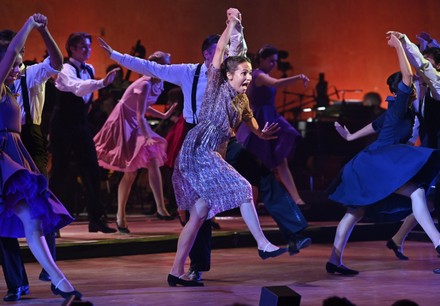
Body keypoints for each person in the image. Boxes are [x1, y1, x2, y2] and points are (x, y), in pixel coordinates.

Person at [98, 8, 248, 281]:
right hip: (192, 138)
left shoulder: (228, 76)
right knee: (195, 209)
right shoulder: (188, 73)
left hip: (219, 139)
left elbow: (240, 52)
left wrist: (235, 24)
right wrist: (115, 56)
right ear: (207, 53)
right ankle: (192, 265)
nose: (223, 55)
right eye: (219, 50)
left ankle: (192, 266)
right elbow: (150, 67)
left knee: (203, 208)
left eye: (224, 51)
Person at [326, 32, 440, 275]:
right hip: (380, 161)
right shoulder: (400, 105)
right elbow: (408, 75)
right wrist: (398, 46)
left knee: (356, 211)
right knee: (418, 194)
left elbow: (374, 126)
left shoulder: (399, 111)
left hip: (371, 162)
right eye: (411, 86)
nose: (415, 85)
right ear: (403, 89)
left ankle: (334, 260)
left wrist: (349, 136)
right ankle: (439, 242)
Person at [0, 14, 81, 300]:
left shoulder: (11, 89)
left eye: (20, 61)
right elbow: (10, 53)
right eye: (13, 62)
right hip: (4, 160)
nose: (16, 66)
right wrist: (29, 25)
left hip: (15, 155)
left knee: (32, 219)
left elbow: (55, 63)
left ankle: (62, 284)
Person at [94, 51, 176, 233]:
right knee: (130, 172)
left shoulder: (158, 82)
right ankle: (122, 215)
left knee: (150, 162)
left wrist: (163, 115)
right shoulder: (146, 83)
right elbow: (139, 114)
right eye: (165, 64)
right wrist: (147, 136)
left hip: (135, 121)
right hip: (125, 121)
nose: (167, 68)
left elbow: (144, 107)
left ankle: (159, 207)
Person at [50, 32, 120, 233]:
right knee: (59, 172)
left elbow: (86, 98)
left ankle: (96, 219)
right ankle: (53, 221)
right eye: (83, 47)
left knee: (91, 168)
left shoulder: (89, 68)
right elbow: (77, 88)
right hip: (62, 125)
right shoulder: (64, 68)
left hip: (80, 124)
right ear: (71, 48)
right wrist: (101, 83)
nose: (87, 50)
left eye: (89, 47)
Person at [236, 44, 310, 207]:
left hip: (270, 117)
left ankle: (296, 199)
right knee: (253, 164)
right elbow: (275, 84)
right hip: (261, 119)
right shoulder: (258, 74)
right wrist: (297, 77)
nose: (274, 65)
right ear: (261, 60)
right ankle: (249, 203)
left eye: (275, 61)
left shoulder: (259, 74)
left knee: (280, 160)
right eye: (271, 61)